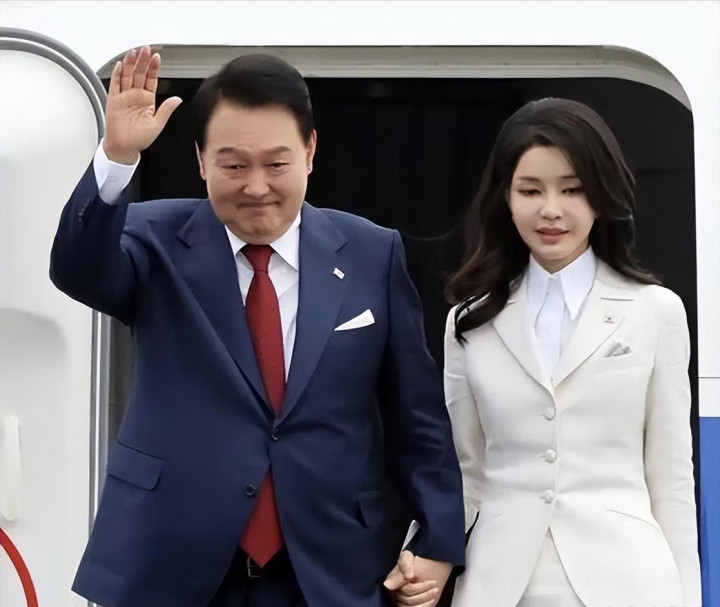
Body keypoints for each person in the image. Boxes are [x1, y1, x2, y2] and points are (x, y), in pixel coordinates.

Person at [50, 46, 466, 607]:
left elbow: (416, 417)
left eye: (276, 164)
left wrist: (438, 540)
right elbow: (78, 270)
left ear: (310, 152)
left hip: (328, 569)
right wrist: (117, 156)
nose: (256, 187)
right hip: (172, 565)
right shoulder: (153, 240)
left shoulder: (371, 252)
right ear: (200, 160)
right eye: (233, 166)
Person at [391, 98, 702, 607]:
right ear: (506, 198)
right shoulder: (469, 322)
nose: (551, 210)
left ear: (601, 194)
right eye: (530, 190)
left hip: (628, 581)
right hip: (501, 581)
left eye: (572, 189)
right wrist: (421, 555)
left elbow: (671, 479)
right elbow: (463, 469)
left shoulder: (655, 311)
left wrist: (689, 596)